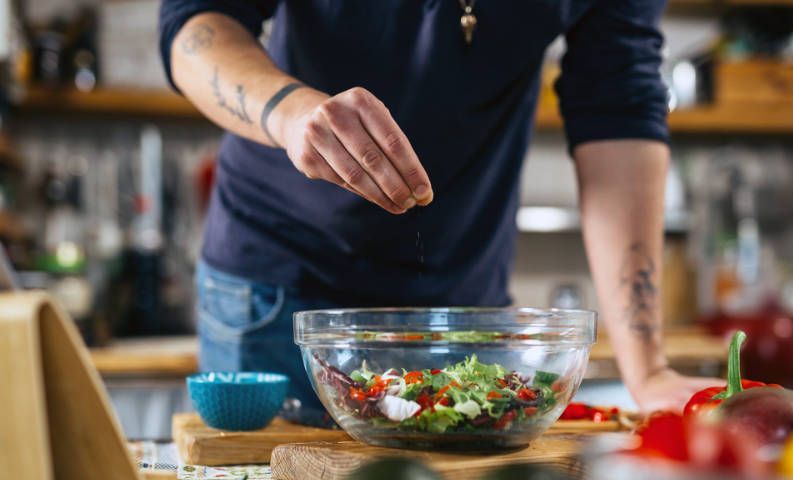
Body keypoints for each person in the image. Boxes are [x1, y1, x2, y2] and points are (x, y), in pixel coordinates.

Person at [159, 0, 722, 416]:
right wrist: (287, 112)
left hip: (467, 308)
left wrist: (646, 371)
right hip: (277, 290)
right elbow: (195, 24)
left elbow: (617, 105)